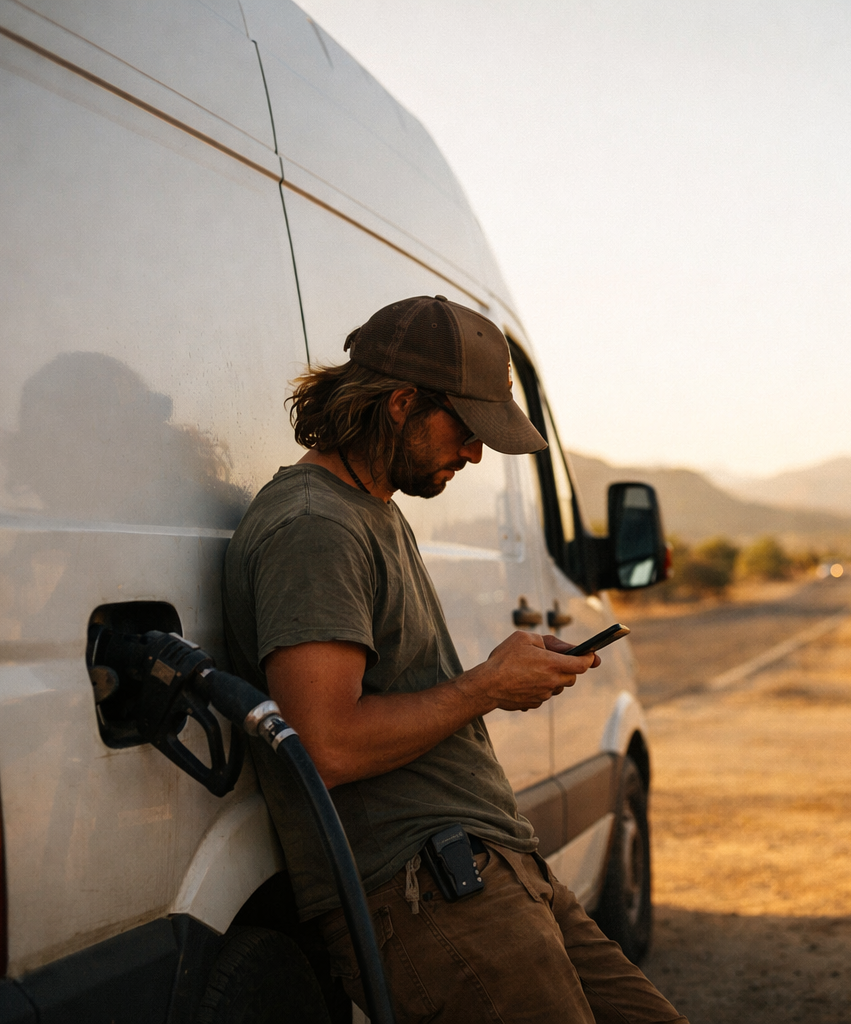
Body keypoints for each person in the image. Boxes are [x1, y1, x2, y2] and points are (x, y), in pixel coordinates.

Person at [223, 295, 687, 1023]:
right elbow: (327, 744)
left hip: (491, 867)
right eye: (467, 430)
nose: (475, 455)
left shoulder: (368, 508)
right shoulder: (315, 526)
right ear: (402, 403)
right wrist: (486, 686)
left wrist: (505, 675)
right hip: (427, 888)